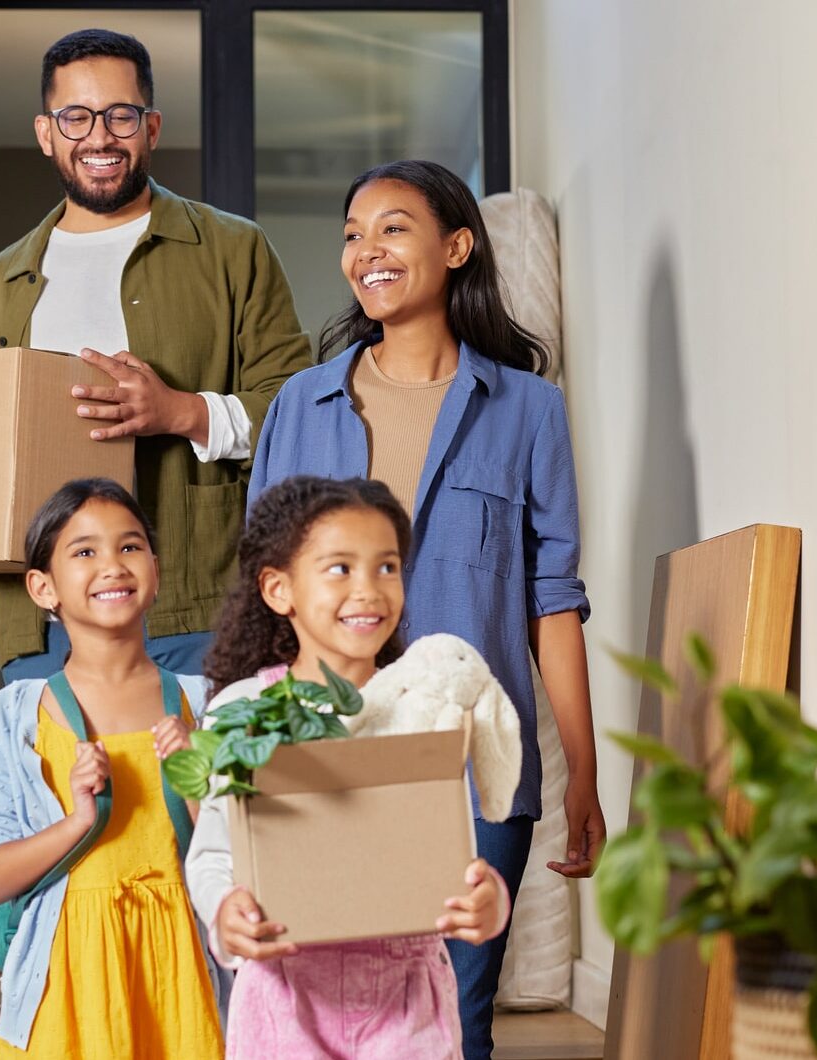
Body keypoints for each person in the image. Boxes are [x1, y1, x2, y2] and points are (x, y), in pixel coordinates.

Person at [245, 160, 605, 1058]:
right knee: (317, 1016)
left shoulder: (529, 411)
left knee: (453, 1016)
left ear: (455, 247)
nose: (366, 251)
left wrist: (584, 776)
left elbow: (550, 603)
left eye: (393, 228)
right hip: (322, 756)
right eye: (352, 234)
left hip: (471, 761)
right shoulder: (299, 404)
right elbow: (263, 590)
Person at [0, 28, 310, 680]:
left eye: (120, 115)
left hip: (194, 619)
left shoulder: (234, 251)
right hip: (44, 633)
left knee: (201, 786)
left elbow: (297, 415)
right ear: (46, 133)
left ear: (151, 127)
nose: (99, 136)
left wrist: (181, 411)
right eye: (76, 117)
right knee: (59, 787)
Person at [185, 476, 510, 1059]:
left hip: (407, 997)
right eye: (340, 568)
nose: (370, 590)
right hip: (284, 996)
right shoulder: (242, 712)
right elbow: (212, 853)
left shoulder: (425, 707)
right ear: (278, 589)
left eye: (387, 568)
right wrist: (224, 913)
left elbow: (451, 855)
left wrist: (487, 901)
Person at [0, 478, 223, 1059]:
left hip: (183, 975)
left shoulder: (207, 703)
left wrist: (195, 782)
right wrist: (77, 820)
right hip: (66, 983)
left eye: (130, 547)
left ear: (156, 570)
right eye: (84, 552)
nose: (112, 565)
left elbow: (246, 857)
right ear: (42, 587)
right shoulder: (11, 718)